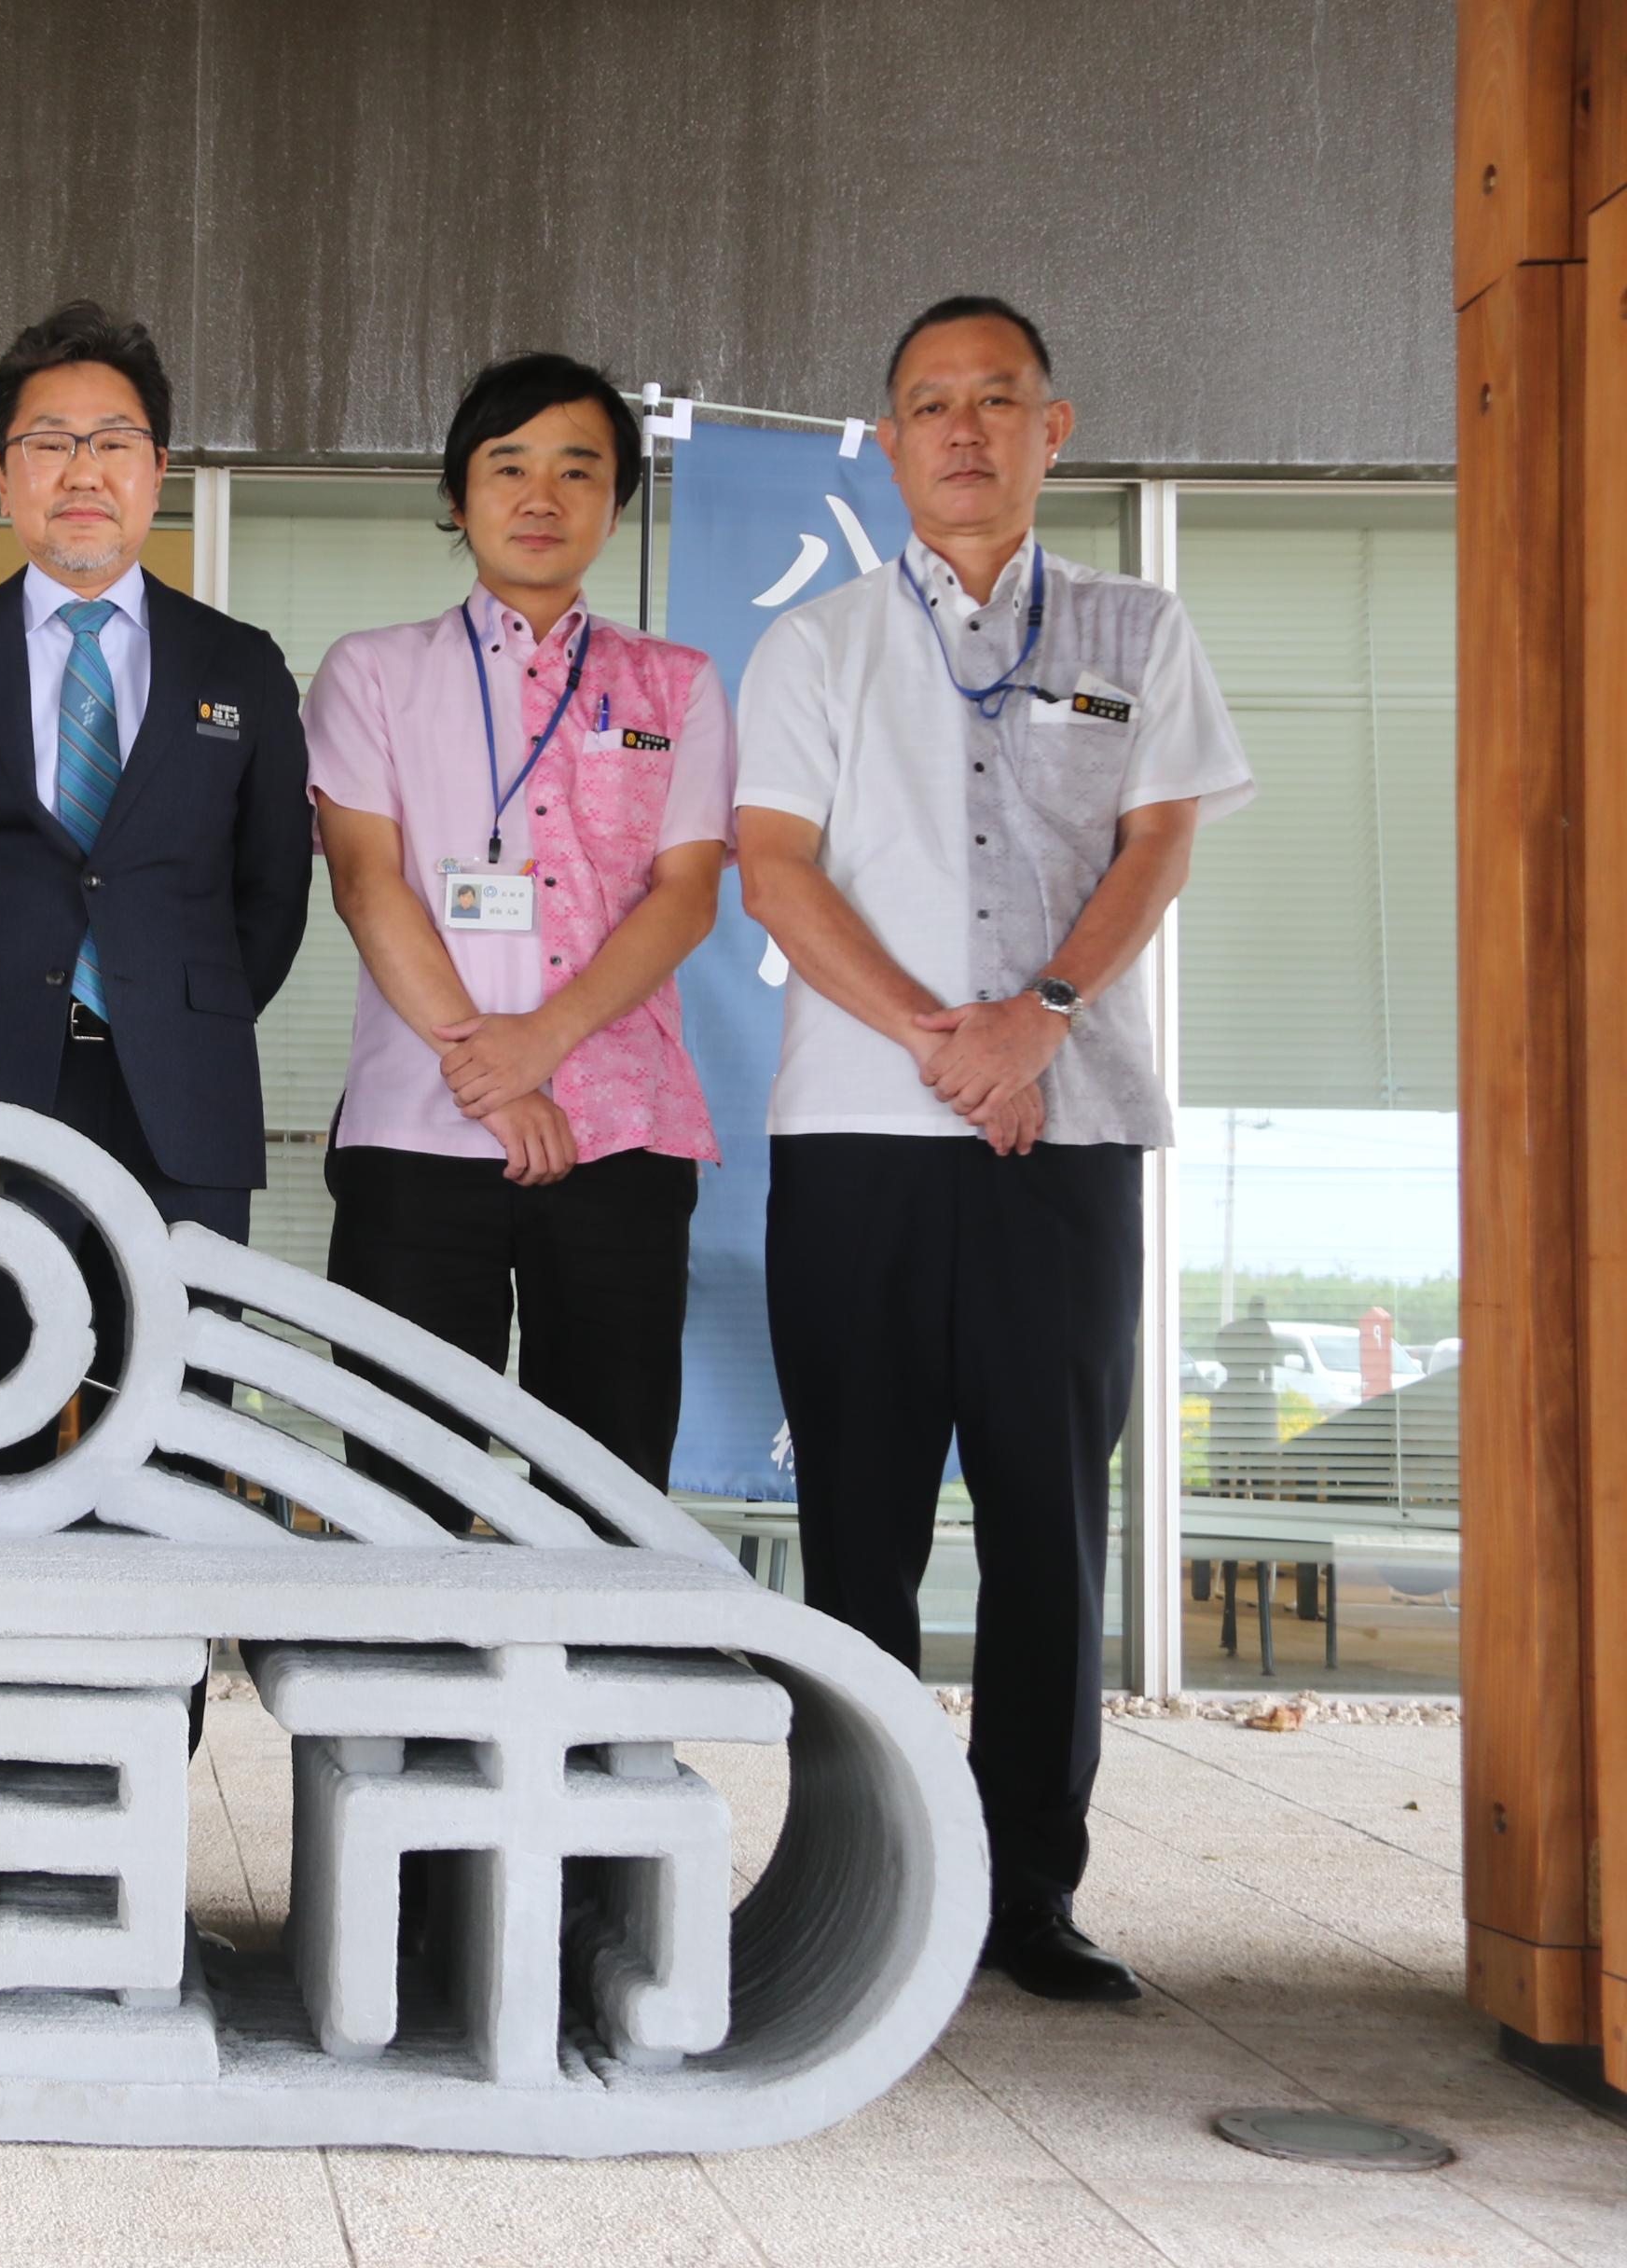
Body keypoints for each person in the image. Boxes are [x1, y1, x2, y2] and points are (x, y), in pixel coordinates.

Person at [736, 297, 1254, 2001]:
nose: (962, 430)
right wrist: (939, 1037)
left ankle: (1027, 1890)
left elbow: (1156, 843)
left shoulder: (1135, 627)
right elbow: (775, 870)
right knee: (858, 1520)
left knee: (1048, 1519)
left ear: (1053, 427)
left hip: (1068, 1129)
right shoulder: (815, 644)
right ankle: (859, 1872)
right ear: (888, 442)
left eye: (995, 400)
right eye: (929, 404)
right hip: (858, 1136)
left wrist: (1037, 1016)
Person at [0, 301, 311, 1516]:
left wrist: (173, 1015)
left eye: (113, 441)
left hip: (182, 1106)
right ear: (3, 476)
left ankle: (159, 1651)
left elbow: (272, 895)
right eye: (49, 442)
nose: (82, 470)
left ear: (158, 469)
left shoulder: (240, 665)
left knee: (176, 1441)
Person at [305, 353, 733, 1519]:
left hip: (622, 1138)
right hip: (417, 1134)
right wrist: (490, 1072)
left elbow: (687, 893)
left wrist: (539, 1044)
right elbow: (365, 881)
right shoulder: (372, 672)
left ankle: (595, 1662)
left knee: (608, 1496)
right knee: (401, 1497)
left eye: (577, 470)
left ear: (614, 503)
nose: (542, 496)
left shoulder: (677, 684)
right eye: (509, 467)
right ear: (458, 496)